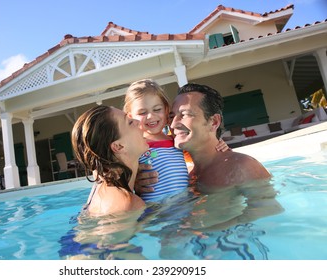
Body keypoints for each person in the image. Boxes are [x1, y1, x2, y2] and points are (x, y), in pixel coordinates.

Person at [136, 83, 271, 193]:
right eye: (171, 116)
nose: (172, 124)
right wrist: (136, 185)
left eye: (185, 114)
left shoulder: (242, 167)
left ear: (214, 122)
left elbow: (268, 217)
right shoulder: (186, 176)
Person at [123, 79, 228, 201]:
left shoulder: (176, 141)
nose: (151, 116)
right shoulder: (135, 145)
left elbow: (200, 155)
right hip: (155, 209)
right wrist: (135, 181)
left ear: (166, 109)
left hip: (185, 205)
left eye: (157, 109)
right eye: (142, 112)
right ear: (130, 116)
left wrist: (221, 145)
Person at [71, 105, 148, 216]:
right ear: (118, 146)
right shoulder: (128, 204)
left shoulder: (100, 183)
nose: (137, 121)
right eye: (130, 122)